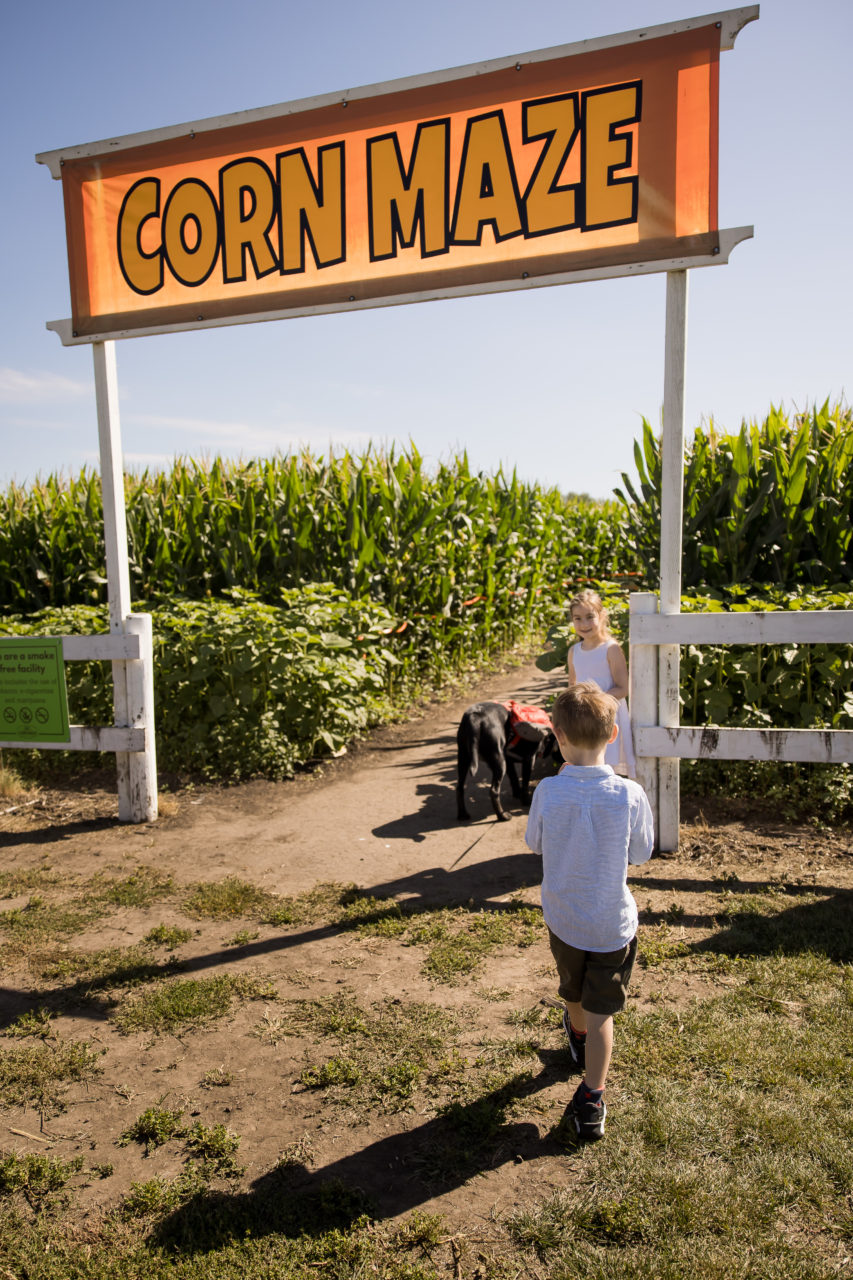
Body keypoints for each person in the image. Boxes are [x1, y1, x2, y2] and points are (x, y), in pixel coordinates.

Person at [525, 682, 654, 1140]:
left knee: (572, 989)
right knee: (604, 1014)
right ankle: (592, 1099)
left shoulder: (547, 791)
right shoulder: (630, 794)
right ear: (614, 734)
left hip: (563, 918)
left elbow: (534, 843)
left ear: (557, 736)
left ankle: (576, 1036)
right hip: (611, 925)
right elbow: (641, 854)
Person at [566, 589, 636, 778]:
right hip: (583, 718)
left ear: (602, 615)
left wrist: (596, 701)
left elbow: (623, 687)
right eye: (577, 618)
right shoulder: (574, 652)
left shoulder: (610, 649)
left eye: (590, 617)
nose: (584, 624)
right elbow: (572, 686)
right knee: (585, 767)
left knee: (608, 769)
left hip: (608, 718)